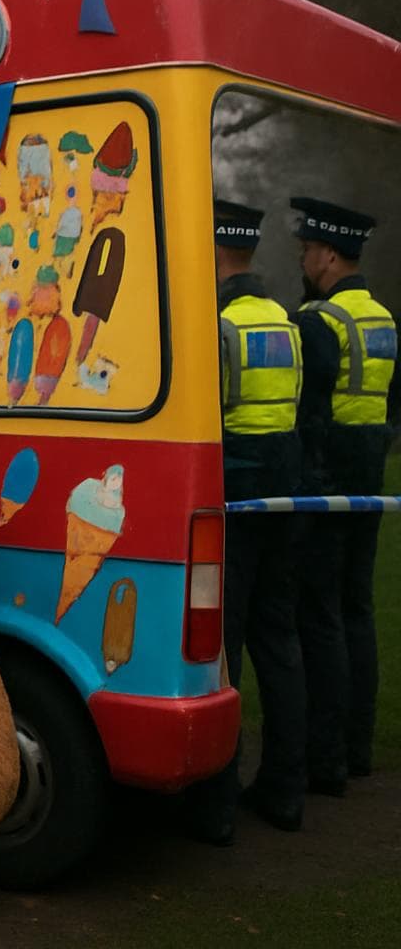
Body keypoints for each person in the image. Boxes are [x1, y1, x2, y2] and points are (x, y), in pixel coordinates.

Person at [184, 200, 306, 845]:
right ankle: (287, 789)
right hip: (283, 498)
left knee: (221, 649)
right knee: (278, 642)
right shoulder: (286, 323)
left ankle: (216, 805)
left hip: (234, 496)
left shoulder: (218, 325)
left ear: (214, 253)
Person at [289, 196, 400, 797]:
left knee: (321, 615)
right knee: (357, 609)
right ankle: (357, 747)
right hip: (370, 476)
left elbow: (308, 409)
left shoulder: (319, 321)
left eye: (308, 250)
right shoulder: (385, 318)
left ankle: (323, 754)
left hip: (326, 480)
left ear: (329, 255)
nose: (305, 259)